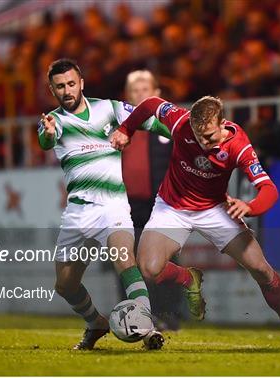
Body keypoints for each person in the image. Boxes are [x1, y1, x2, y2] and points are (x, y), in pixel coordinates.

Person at [111, 95, 280, 348]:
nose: (204, 142)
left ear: (223, 124)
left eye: (210, 136)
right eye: (199, 136)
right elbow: (150, 103)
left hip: (214, 209)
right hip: (172, 206)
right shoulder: (181, 120)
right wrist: (126, 129)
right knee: (148, 268)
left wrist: (250, 206)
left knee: (262, 270)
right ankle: (188, 278)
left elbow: (269, 189)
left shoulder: (239, 145)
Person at [38, 58, 167, 350]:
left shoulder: (110, 108)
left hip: (113, 206)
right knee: (65, 285)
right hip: (79, 213)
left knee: (125, 260)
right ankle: (95, 323)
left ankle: (147, 329)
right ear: (52, 89)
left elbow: (151, 122)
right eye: (60, 86)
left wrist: (185, 132)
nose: (67, 90)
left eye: (71, 83)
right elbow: (46, 140)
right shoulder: (53, 122)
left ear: (81, 82)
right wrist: (46, 135)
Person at [121, 70, 181, 330]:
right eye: (135, 90)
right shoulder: (117, 125)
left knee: (163, 260)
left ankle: (168, 314)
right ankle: (134, 315)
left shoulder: (170, 125)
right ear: (127, 95)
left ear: (156, 94)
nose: (140, 94)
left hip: (163, 204)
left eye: (145, 88)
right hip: (126, 205)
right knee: (126, 260)